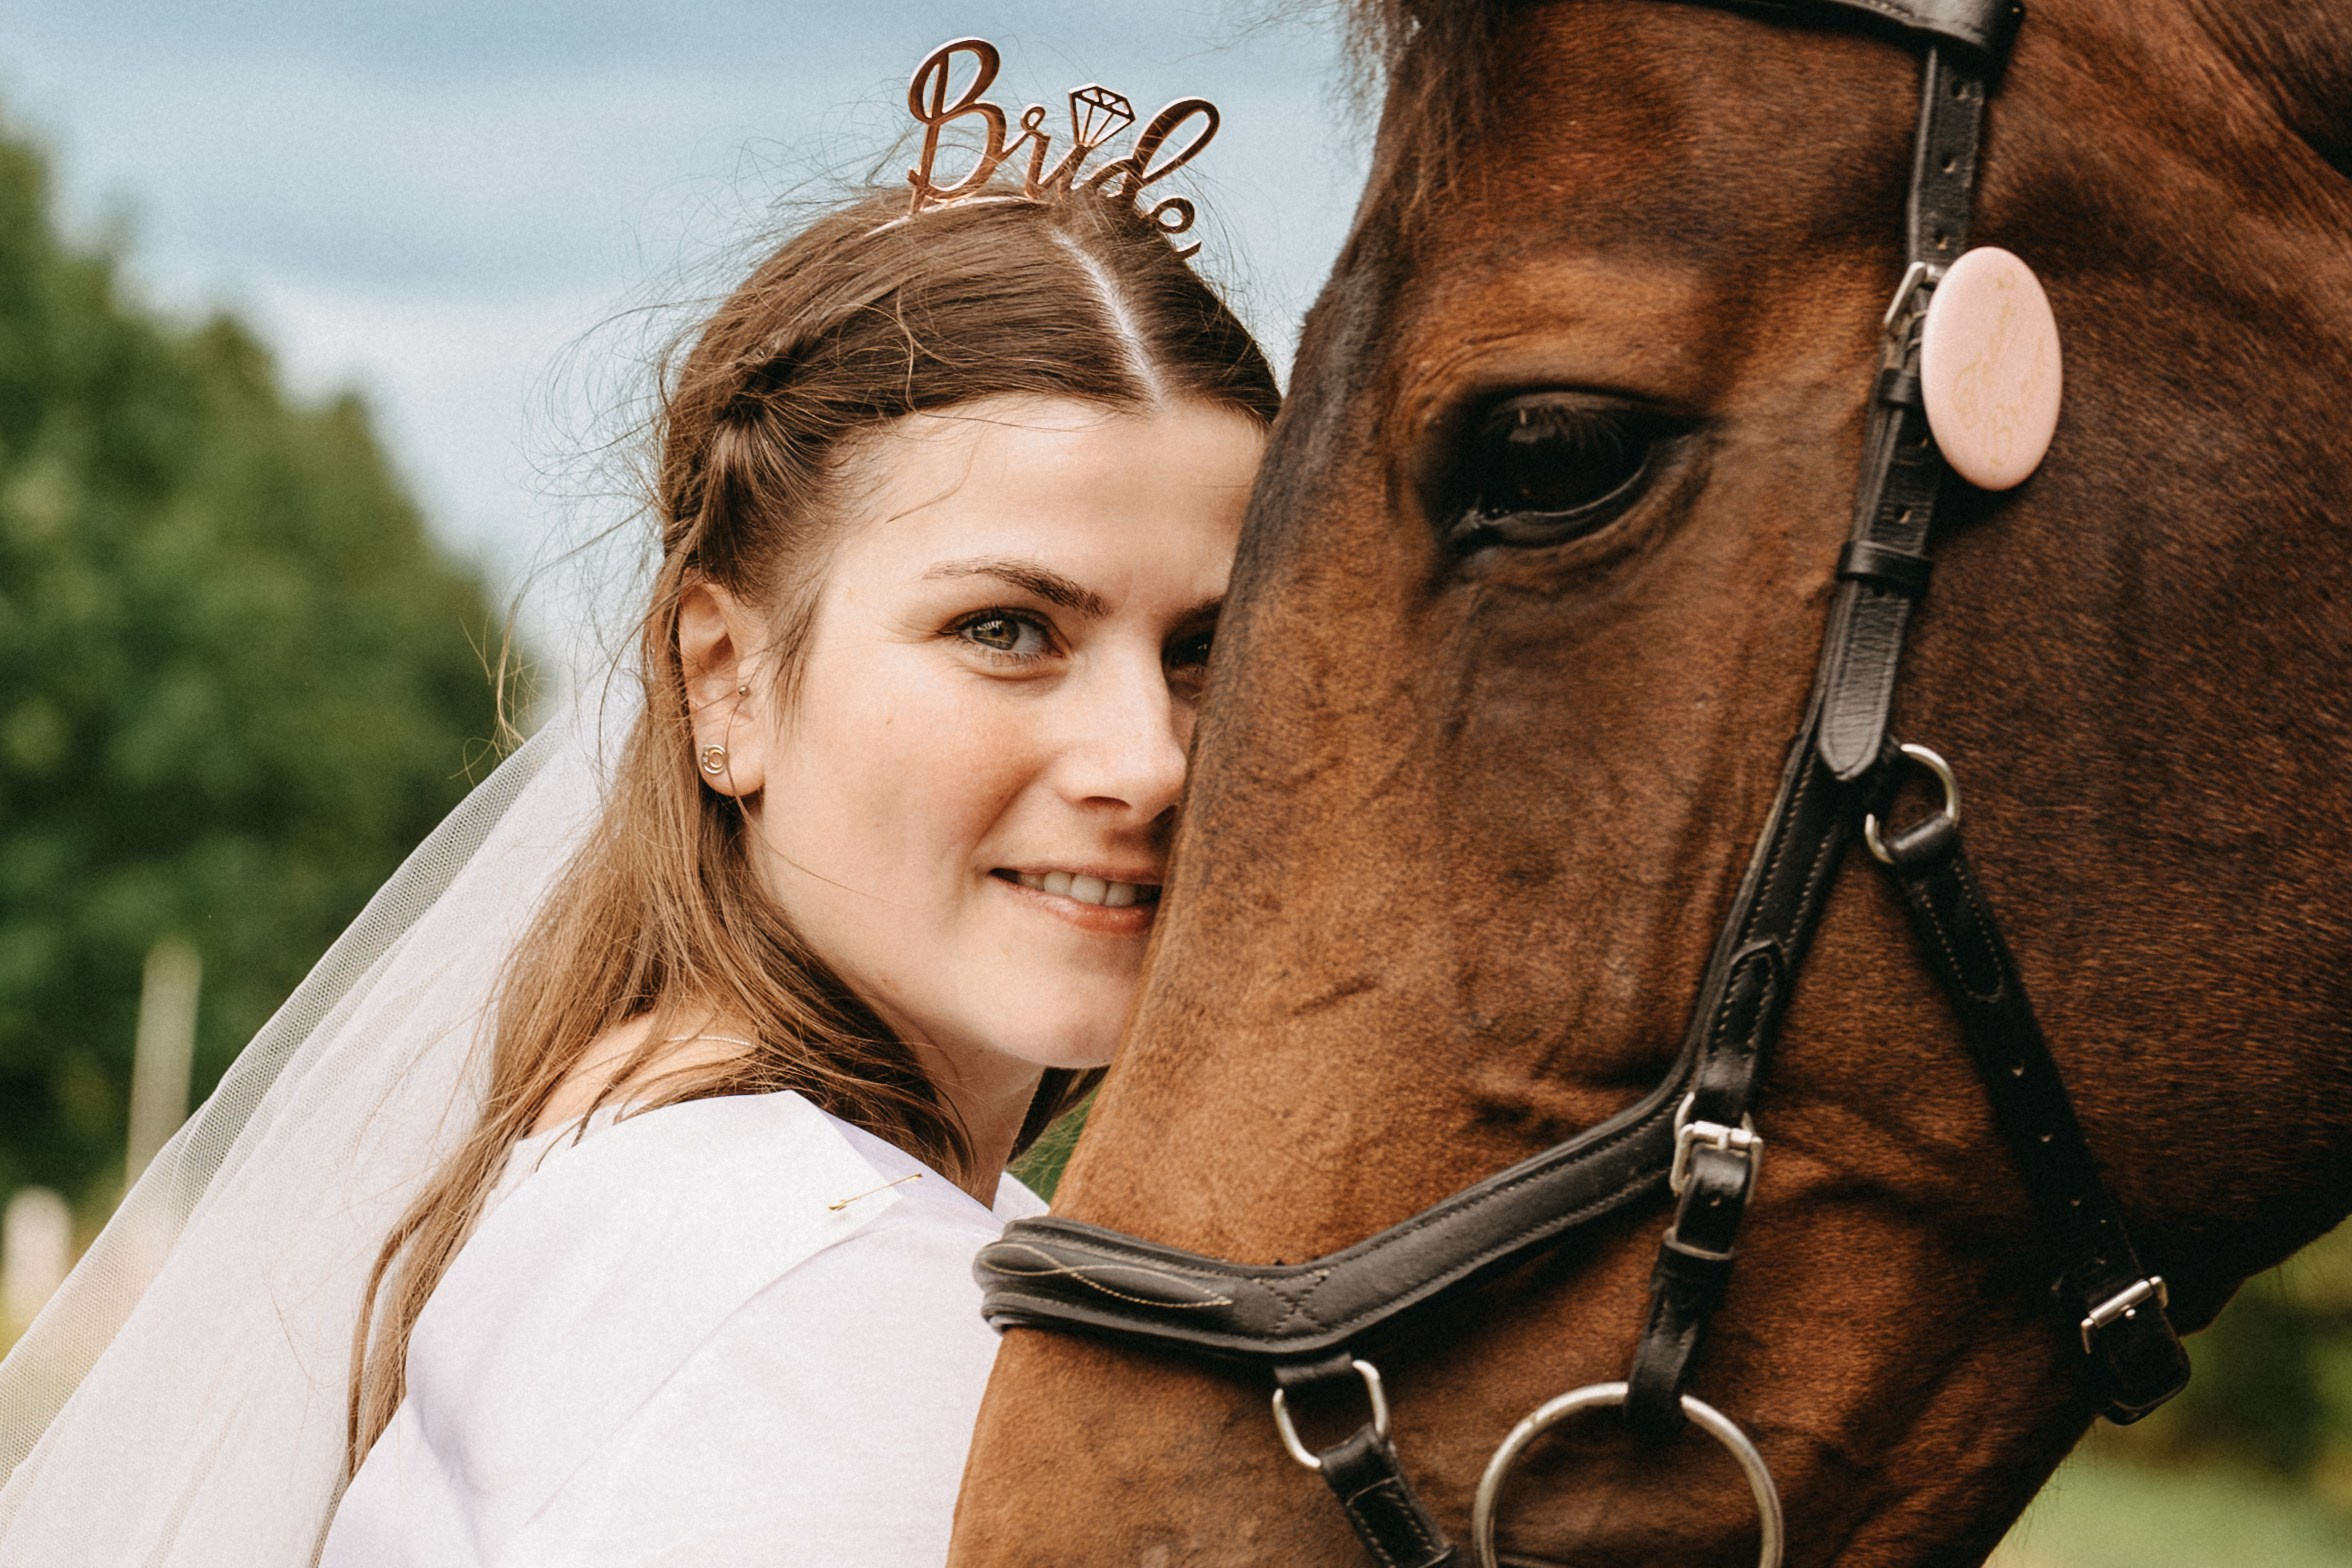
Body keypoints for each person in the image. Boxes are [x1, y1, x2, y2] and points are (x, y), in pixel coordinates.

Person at [0, 52, 1279, 1566]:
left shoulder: (665, 1177)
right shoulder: (829, 1310)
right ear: (726, 683)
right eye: (1008, 628)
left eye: (1211, 649)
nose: (1149, 760)